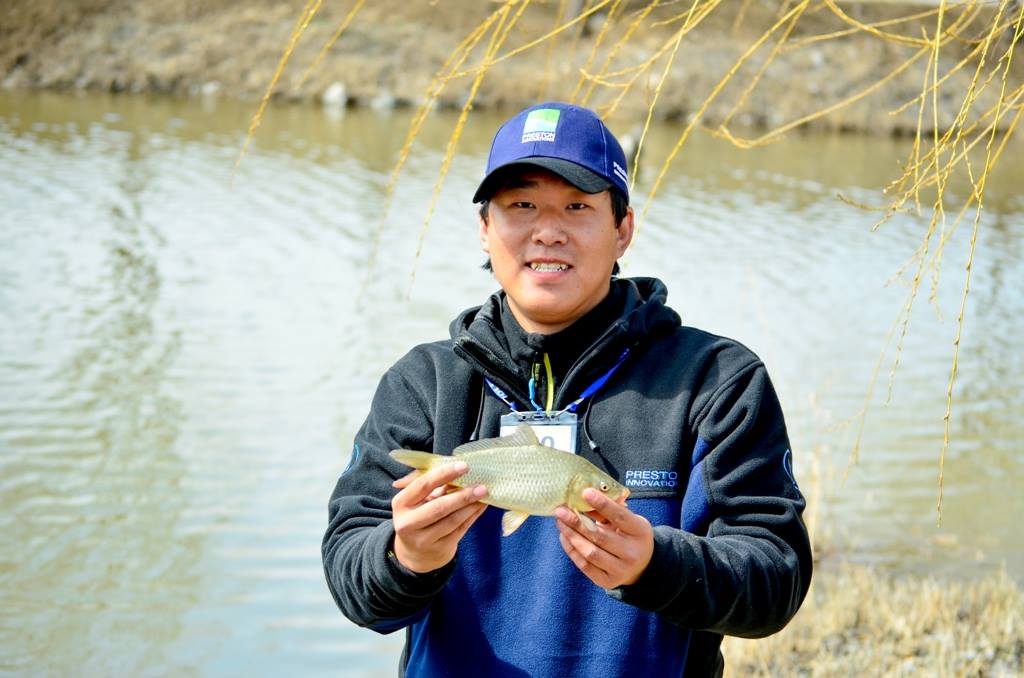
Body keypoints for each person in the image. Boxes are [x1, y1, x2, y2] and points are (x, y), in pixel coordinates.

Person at [322, 101, 812, 677]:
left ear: (623, 229)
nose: (547, 231)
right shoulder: (423, 383)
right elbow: (352, 581)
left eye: (577, 206)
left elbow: (775, 580)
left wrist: (657, 565)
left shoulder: (716, 380)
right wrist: (406, 557)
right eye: (521, 205)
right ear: (485, 229)